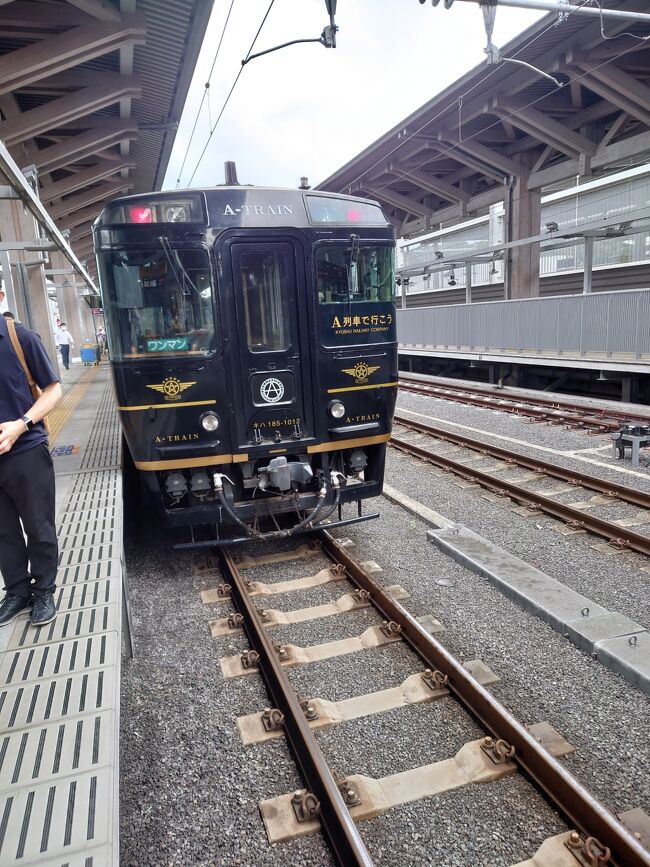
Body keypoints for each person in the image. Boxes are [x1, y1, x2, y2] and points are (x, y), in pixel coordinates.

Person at [0, 287, 63, 627]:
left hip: (25, 450)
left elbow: (54, 389)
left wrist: (20, 425)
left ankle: (44, 591)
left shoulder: (19, 337)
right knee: (3, 531)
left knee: (38, 527)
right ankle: (17, 591)